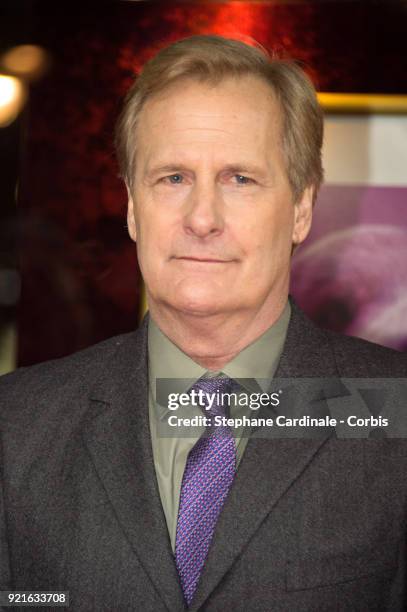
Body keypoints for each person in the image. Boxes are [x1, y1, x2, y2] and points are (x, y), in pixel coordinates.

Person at [1, 34, 406, 612]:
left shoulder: (396, 415)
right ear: (133, 207)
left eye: (240, 178)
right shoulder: (15, 426)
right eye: (173, 178)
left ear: (302, 209)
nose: (202, 218)